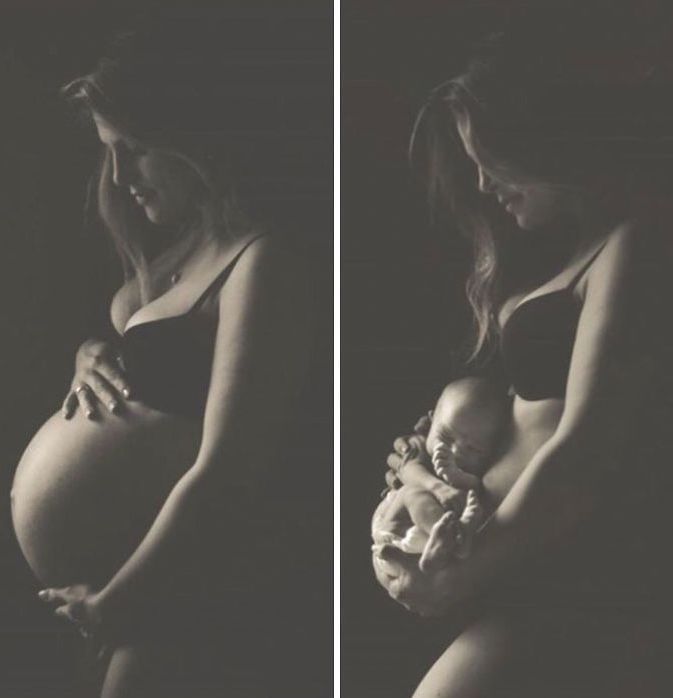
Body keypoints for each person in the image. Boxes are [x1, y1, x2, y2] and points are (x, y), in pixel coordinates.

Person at [10, 18, 329, 698]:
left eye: (138, 150)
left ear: (199, 142)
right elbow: (135, 339)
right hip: (123, 585)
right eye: (109, 151)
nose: (120, 175)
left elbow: (230, 466)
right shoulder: (178, 256)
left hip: (179, 591)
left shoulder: (262, 261)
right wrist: (87, 354)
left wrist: (121, 601)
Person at [372, 25, 673, 697]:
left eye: (491, 159)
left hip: (576, 580)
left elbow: (584, 448)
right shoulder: (573, 257)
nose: (481, 184)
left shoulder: (638, 245)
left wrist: (465, 571)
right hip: (517, 567)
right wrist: (425, 467)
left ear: (545, 142)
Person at [371, 377, 508, 569]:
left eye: (473, 449)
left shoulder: (478, 473)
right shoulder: (420, 444)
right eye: (446, 436)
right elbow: (408, 471)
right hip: (395, 528)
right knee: (412, 493)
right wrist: (440, 488)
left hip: (431, 553)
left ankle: (450, 541)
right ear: (430, 420)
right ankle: (452, 539)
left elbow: (472, 491)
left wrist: (459, 479)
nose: (455, 452)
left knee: (475, 506)